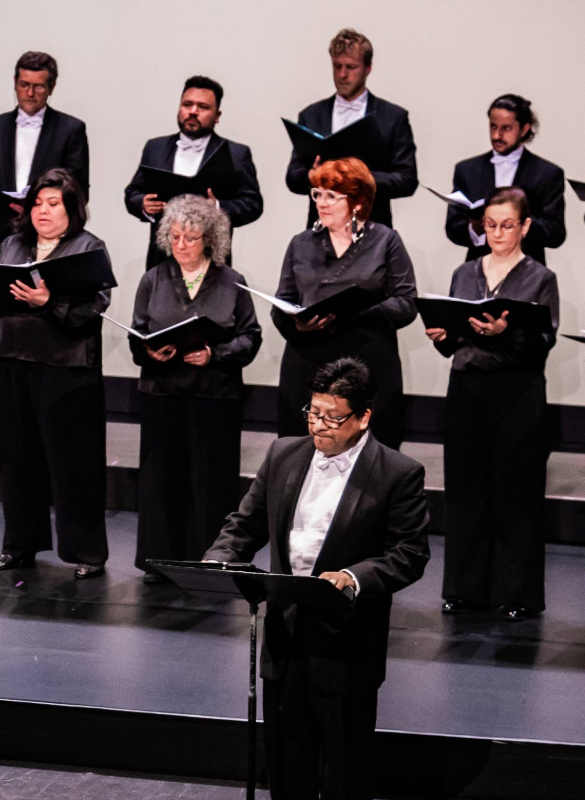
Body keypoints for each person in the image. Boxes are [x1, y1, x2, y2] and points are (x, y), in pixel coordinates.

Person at [204, 357, 430, 800]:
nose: (319, 426)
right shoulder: (283, 454)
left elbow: (410, 553)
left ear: (364, 417)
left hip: (346, 642)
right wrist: (220, 558)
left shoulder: (398, 473)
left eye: (333, 417)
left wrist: (352, 576)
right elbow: (244, 524)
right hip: (285, 637)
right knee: (287, 762)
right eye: (313, 412)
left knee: (344, 767)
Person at [428, 188, 559, 620]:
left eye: (507, 225)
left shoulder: (539, 277)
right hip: (467, 391)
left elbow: (541, 342)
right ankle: (465, 589)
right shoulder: (464, 272)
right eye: (490, 224)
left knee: (515, 493)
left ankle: (515, 593)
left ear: (524, 227)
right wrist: (443, 336)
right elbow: (453, 343)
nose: (498, 233)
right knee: (465, 491)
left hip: (516, 393)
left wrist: (504, 331)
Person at [0, 168, 113, 580]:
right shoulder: (12, 243)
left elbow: (92, 309)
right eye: (38, 203)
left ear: (72, 208)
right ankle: (19, 544)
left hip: (67, 370)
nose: (43, 211)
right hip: (15, 364)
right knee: (19, 462)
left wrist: (48, 302)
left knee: (74, 465)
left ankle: (87, 551)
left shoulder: (87, 248)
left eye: (53, 204)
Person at [0, 51, 90, 445]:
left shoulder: (70, 129)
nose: (30, 92)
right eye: (23, 84)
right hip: (7, 235)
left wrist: (40, 203)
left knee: (41, 316)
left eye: (38, 85)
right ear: (14, 82)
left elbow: (78, 187)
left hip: (52, 239)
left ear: (51, 87)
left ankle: (37, 414)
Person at [130, 196, 261, 583]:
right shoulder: (153, 278)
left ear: (210, 238)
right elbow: (138, 333)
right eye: (174, 236)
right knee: (160, 479)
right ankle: (158, 560)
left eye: (190, 236)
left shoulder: (232, 280)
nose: (181, 244)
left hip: (214, 396)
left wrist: (215, 354)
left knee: (210, 481)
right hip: (163, 393)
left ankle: (206, 558)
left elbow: (250, 338)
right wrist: (152, 350)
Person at [273, 157, 417, 450]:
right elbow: (281, 305)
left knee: (368, 459)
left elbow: (406, 303)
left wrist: (358, 310)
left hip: (366, 362)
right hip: (308, 362)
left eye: (332, 196)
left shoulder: (385, 240)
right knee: (301, 454)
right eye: (317, 194)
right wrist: (296, 321)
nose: (321, 203)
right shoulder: (301, 243)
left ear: (358, 202)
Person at [123, 75, 263, 268]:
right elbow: (133, 193)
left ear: (217, 116)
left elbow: (253, 204)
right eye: (187, 105)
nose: (193, 111)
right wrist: (143, 204)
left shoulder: (236, 154)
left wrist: (217, 207)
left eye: (203, 107)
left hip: (211, 260)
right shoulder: (155, 147)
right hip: (161, 258)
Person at [285, 29, 417, 229]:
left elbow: (406, 180)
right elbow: (293, 177)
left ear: (367, 68)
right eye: (337, 66)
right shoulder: (311, 115)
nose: (342, 74)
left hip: (373, 230)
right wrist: (314, 176)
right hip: (321, 231)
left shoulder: (393, 117)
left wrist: (357, 178)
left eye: (351, 67)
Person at [445, 94, 567, 265]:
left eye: (506, 128)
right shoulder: (467, 170)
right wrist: (475, 227)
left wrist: (515, 224)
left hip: (528, 273)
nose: (497, 135)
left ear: (524, 129)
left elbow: (555, 234)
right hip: (477, 268)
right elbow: (453, 228)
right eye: (493, 127)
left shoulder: (547, 173)